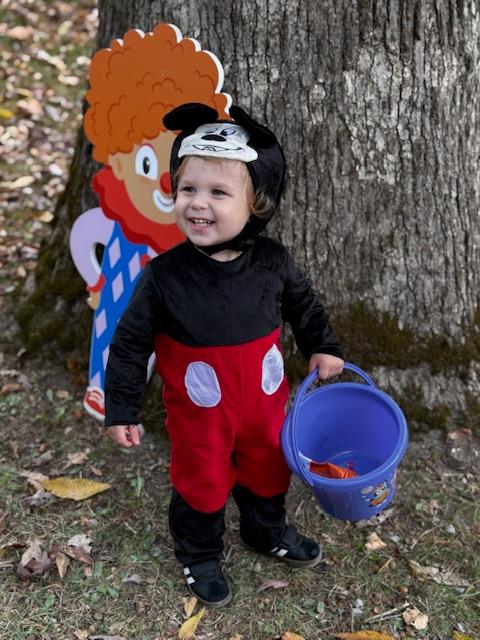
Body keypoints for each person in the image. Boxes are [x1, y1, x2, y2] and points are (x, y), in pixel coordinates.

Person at [104, 102, 345, 608]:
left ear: (257, 203)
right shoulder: (164, 277)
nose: (198, 203)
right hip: (201, 415)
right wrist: (121, 407)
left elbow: (303, 306)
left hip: (263, 406)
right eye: (188, 189)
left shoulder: (273, 262)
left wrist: (322, 346)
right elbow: (129, 343)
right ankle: (199, 553)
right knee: (202, 480)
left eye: (218, 192)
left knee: (268, 469)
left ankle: (265, 530)